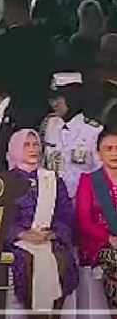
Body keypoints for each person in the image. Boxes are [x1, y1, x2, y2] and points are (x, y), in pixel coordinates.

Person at [5, 129, 78, 314]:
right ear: (15, 149)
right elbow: (0, 220)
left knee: (61, 260)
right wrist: (23, 234)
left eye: (35, 144)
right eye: (26, 145)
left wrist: (52, 233)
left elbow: (66, 216)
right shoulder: (4, 182)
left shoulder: (53, 180)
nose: (33, 149)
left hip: (49, 239)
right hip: (19, 243)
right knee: (26, 261)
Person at [42, 72, 103, 198]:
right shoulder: (49, 125)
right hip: (50, 199)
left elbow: (101, 173)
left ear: (72, 98)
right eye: (51, 99)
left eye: (58, 99)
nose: (53, 104)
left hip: (81, 201)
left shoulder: (93, 131)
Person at [76, 128, 117, 311]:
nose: (114, 153)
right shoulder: (90, 181)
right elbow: (84, 220)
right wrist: (110, 239)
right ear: (99, 153)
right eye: (108, 149)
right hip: (99, 244)